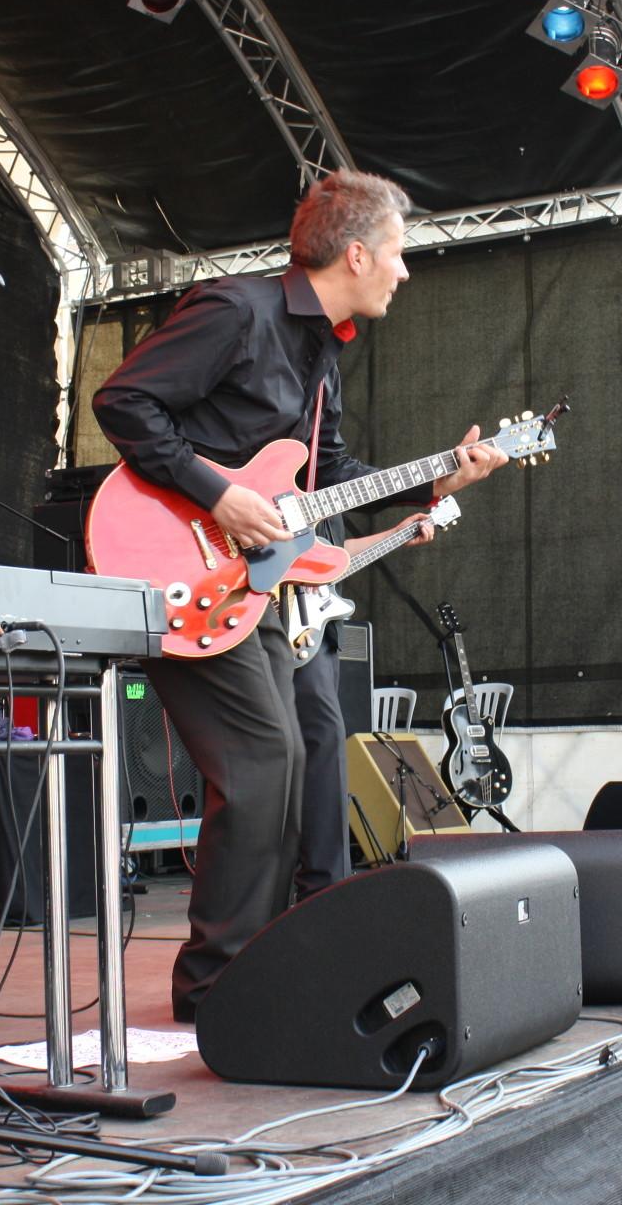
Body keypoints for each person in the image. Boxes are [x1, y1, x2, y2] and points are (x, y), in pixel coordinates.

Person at [93, 170, 507, 1021]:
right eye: (397, 253)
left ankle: (255, 965)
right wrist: (216, 494)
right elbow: (124, 401)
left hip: (249, 586)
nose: (404, 271)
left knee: (292, 762)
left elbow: (329, 475)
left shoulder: (322, 355)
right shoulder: (238, 311)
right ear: (355, 254)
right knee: (261, 764)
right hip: (174, 563)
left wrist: (439, 479)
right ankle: (214, 985)